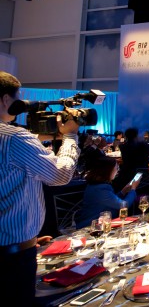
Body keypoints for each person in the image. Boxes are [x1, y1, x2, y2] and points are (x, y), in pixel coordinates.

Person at [0, 71, 81, 305]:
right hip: (11, 259)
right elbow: (61, 174)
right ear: (6, 99)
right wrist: (71, 137)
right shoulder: (14, 137)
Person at [74, 156, 140, 229]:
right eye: (116, 168)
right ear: (108, 171)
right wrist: (133, 189)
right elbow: (124, 205)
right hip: (91, 226)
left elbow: (109, 201)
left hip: (101, 223)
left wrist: (123, 192)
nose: (117, 170)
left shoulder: (96, 185)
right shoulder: (101, 189)